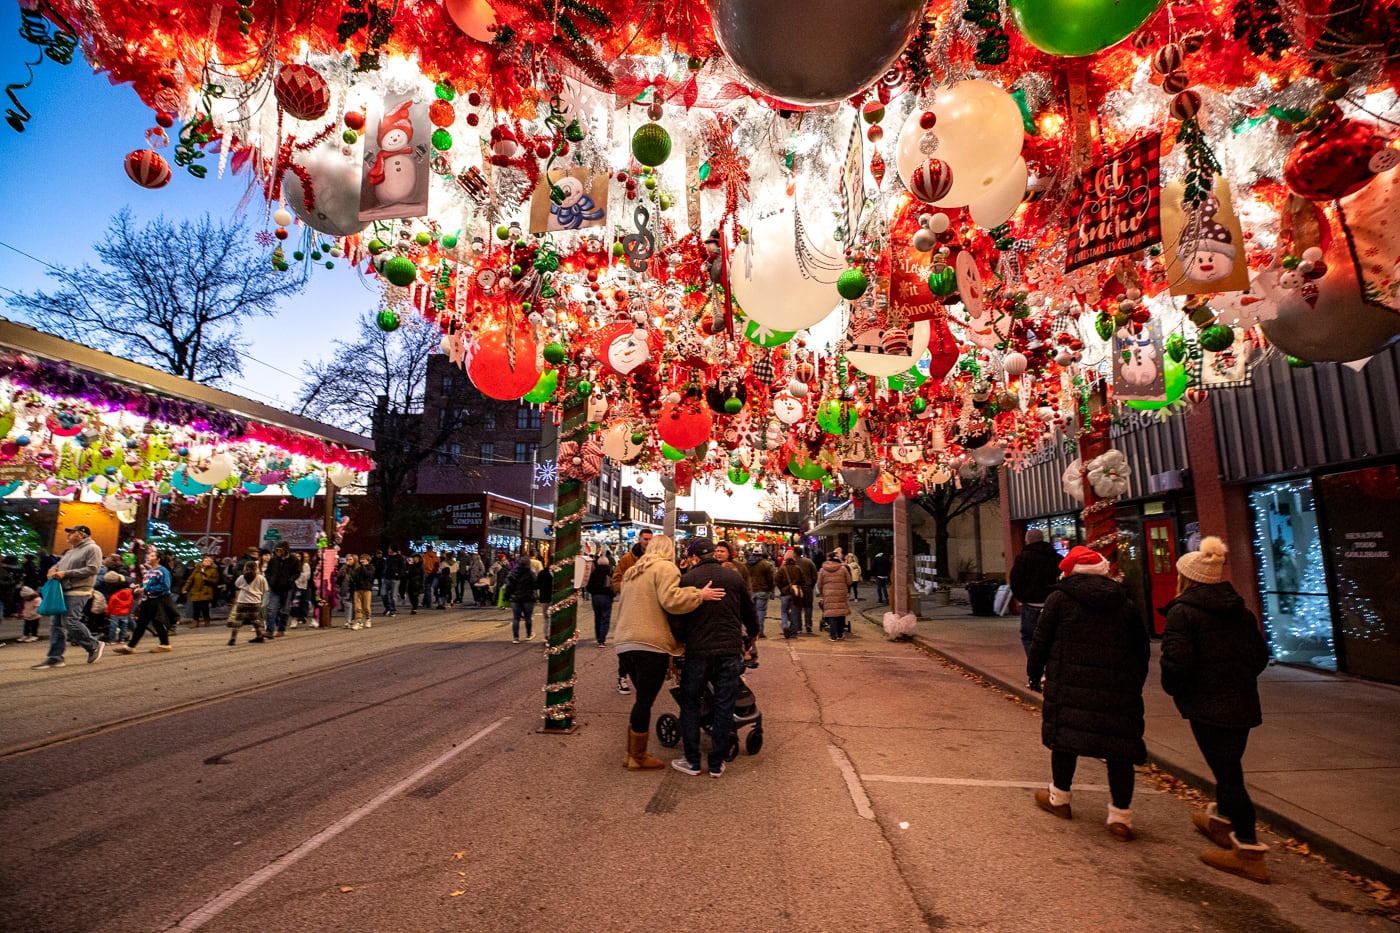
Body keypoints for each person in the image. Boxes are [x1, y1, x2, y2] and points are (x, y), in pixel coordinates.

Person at [1161, 537, 1273, 883]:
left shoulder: (1183, 613)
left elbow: (1177, 664)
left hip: (1207, 705)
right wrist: (1236, 678)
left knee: (1228, 774)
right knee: (1229, 764)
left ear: (1186, 578)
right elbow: (1259, 657)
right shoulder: (1240, 611)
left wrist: (1178, 688)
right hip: (1241, 702)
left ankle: (1250, 850)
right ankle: (1223, 821)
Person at [1027, 545, 1149, 841]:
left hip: (1070, 682)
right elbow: (1141, 648)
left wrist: (1034, 673)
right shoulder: (1124, 603)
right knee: (1119, 750)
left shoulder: (1059, 600)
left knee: (1065, 740)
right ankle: (1121, 817)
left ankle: (1060, 799)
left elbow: (1040, 640)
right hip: (1117, 688)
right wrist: (1134, 681)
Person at [612, 535, 722, 769]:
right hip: (650, 643)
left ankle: (631, 753)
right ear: (668, 550)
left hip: (624, 642)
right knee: (644, 700)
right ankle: (637, 757)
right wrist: (698, 595)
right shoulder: (665, 568)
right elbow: (671, 600)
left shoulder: (633, 571)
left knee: (641, 698)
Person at [671, 538, 759, 778]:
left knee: (690, 702)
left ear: (695, 557)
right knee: (724, 702)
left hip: (698, 650)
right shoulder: (733, 578)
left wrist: (681, 638)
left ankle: (692, 761)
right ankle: (716, 762)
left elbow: (677, 618)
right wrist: (752, 634)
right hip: (729, 650)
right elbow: (748, 612)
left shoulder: (687, 580)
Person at [32, 525, 105, 670]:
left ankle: (93, 645)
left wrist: (66, 574)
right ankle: (55, 658)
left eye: (72, 533)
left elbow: (93, 569)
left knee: (69, 621)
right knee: (56, 624)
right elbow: (59, 565)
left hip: (79, 590)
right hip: (63, 590)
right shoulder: (72, 551)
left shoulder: (93, 549)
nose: (69, 535)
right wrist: (53, 570)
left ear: (81, 535)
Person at [1009, 528, 1062, 678]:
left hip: (1031, 605)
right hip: (1052, 604)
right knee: (1052, 638)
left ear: (1028, 541)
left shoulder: (1023, 558)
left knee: (1030, 638)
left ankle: (1038, 671)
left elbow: (1015, 580)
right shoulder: (1056, 558)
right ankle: (1052, 669)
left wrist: (1021, 597)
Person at [114, 550, 178, 654]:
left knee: (157, 622)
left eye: (152, 555)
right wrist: (140, 587)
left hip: (159, 601)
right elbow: (148, 585)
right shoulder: (150, 571)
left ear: (158, 559)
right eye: (148, 555)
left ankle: (165, 644)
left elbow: (165, 586)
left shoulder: (162, 571)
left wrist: (145, 590)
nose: (148, 557)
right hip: (148, 600)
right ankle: (131, 646)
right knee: (142, 623)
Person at [263, 543, 299, 637]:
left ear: (286, 550)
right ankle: (269, 631)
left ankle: (281, 629)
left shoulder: (293, 560)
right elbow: (268, 572)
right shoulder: (273, 560)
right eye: (277, 550)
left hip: (287, 588)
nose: (278, 552)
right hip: (274, 587)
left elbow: (297, 573)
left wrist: (289, 580)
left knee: (285, 610)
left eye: (280, 550)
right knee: (271, 608)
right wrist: (270, 580)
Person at [228, 560, 269, 644]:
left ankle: (233, 638)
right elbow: (266, 589)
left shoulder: (242, 577)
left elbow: (237, 585)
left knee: (237, 620)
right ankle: (259, 636)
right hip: (255, 602)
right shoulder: (261, 578)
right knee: (255, 620)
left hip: (242, 601)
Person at [817, 548, 855, 641]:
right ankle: (840, 633)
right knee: (840, 613)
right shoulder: (843, 568)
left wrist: (822, 592)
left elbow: (819, 584)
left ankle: (833, 635)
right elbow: (849, 581)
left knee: (831, 614)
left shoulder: (822, 570)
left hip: (828, 594)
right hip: (841, 594)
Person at [505, 554, 537, 643]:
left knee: (516, 618)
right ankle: (528, 634)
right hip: (528, 597)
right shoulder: (531, 574)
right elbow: (535, 585)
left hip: (516, 598)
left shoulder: (513, 573)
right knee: (528, 617)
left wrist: (506, 596)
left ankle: (516, 637)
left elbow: (509, 586)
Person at [774, 550, 806, 639]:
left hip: (785, 594)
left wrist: (782, 589)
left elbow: (776, 581)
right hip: (795, 593)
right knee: (794, 613)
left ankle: (785, 625)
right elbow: (803, 580)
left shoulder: (782, 569)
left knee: (784, 612)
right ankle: (793, 632)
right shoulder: (798, 568)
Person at [586, 554, 615, 647]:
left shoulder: (594, 573)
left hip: (595, 597)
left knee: (597, 617)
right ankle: (602, 640)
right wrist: (612, 594)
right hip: (606, 597)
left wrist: (593, 593)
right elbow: (613, 586)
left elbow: (589, 586)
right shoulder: (610, 572)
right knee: (605, 618)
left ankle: (598, 637)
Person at [182, 556, 219, 628]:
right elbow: (190, 579)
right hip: (196, 591)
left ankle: (206, 619)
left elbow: (215, 581)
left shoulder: (213, 570)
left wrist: (207, 579)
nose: (206, 562)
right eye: (204, 561)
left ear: (211, 563)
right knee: (196, 608)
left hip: (206, 592)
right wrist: (185, 588)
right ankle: (195, 622)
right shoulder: (197, 569)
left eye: (208, 561)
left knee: (205, 607)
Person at [748, 551, 775, 639]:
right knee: (761, 611)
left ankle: (750, 631)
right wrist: (771, 590)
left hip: (750, 590)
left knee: (750, 612)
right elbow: (771, 579)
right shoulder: (767, 565)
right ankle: (759, 631)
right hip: (763, 590)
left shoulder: (746, 564)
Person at [794, 547, 818, 634]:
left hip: (797, 587)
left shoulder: (793, 562)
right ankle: (808, 624)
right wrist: (812, 584)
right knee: (808, 606)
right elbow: (815, 574)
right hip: (808, 587)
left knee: (798, 607)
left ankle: (799, 626)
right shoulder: (809, 562)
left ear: (795, 553)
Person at [104, 573, 134, 644]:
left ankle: (112, 640)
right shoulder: (130, 595)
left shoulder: (114, 595)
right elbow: (130, 604)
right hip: (125, 613)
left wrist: (108, 613)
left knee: (113, 627)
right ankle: (122, 639)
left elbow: (110, 605)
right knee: (124, 627)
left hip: (115, 613)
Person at [350, 554, 377, 629]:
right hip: (358, 589)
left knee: (366, 606)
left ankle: (368, 619)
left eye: (364, 559)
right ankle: (359, 621)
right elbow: (354, 577)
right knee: (357, 607)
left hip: (367, 589)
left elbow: (368, 575)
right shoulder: (358, 568)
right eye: (361, 559)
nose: (362, 561)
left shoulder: (371, 567)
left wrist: (364, 567)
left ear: (367, 560)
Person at [381, 545, 403, 617]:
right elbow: (385, 566)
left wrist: (398, 575)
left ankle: (393, 610)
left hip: (395, 579)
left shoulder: (399, 558)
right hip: (386, 578)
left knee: (393, 596)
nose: (388, 550)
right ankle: (388, 607)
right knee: (383, 594)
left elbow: (402, 568)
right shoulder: (388, 557)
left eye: (390, 549)